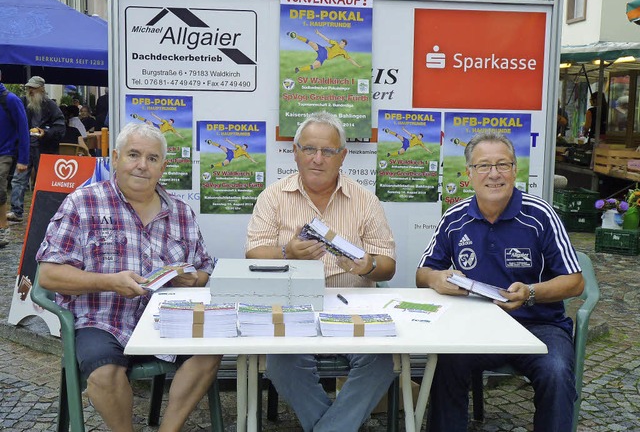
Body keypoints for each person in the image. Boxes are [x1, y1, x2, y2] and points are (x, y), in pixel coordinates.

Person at [35, 123, 220, 431]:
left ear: (163, 166)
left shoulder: (181, 212)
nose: (142, 165)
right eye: (133, 155)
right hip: (103, 320)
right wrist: (108, 281)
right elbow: (49, 275)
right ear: (116, 158)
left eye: (152, 158)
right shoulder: (83, 203)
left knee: (210, 351)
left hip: (167, 319)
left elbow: (204, 267)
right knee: (104, 374)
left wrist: (195, 279)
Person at [416, 132, 585, 432]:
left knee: (557, 373)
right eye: (483, 166)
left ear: (515, 170)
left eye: (502, 165)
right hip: (477, 326)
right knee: (446, 364)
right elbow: (422, 274)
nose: (493, 174)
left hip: (540, 326)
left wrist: (531, 292)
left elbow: (575, 282)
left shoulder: (541, 215)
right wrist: (437, 278)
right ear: (468, 174)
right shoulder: (454, 217)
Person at [245, 111, 396, 432]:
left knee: (380, 362)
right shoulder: (273, 197)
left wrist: (368, 265)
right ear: (295, 151)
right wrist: (287, 252)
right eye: (309, 149)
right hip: (292, 304)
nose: (317, 159)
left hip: (352, 303)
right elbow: (253, 253)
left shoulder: (365, 200)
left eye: (328, 151)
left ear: (342, 156)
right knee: (282, 362)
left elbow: (388, 267)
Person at [7, 75, 65, 222]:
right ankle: (16, 211)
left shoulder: (51, 106)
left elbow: (60, 127)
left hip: (44, 149)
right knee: (18, 179)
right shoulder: (22, 102)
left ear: (41, 89)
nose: (30, 90)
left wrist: (45, 132)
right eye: (29, 88)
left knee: (45, 181)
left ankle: (46, 212)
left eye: (33, 88)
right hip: (25, 148)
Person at [0, 69, 29, 247]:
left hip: (4, 152)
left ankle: (2, 229)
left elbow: (23, 129)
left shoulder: (10, 100)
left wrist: (23, 159)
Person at [288, 29, 362, 73]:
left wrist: (358, 66)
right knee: (311, 43)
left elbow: (350, 59)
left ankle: (298, 69)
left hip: (324, 57)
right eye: (341, 42)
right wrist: (319, 33)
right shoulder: (335, 43)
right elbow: (326, 39)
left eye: (342, 43)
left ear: (344, 45)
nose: (340, 43)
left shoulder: (344, 52)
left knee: (316, 66)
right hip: (323, 50)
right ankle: (295, 36)